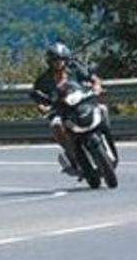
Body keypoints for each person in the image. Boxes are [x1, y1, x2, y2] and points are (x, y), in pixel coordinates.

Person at [30, 42, 106, 178]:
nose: (58, 63)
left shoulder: (75, 68)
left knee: (102, 109)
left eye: (61, 60)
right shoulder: (44, 80)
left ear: (66, 59)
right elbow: (38, 99)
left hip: (82, 103)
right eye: (55, 61)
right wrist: (44, 108)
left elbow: (93, 78)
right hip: (61, 111)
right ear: (50, 62)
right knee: (56, 125)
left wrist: (97, 87)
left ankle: (106, 137)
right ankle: (73, 157)